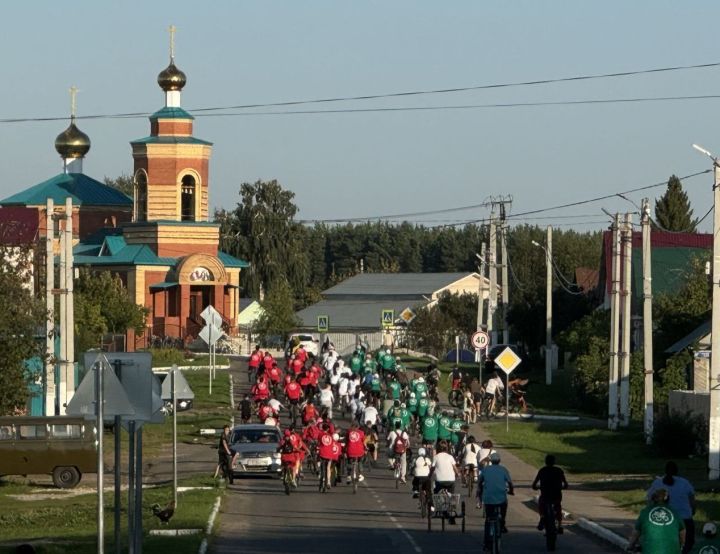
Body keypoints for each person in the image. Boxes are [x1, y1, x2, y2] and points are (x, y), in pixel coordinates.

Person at [647, 461, 696, 554]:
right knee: (688, 543)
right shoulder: (685, 483)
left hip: (666, 520)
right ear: (677, 471)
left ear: (665, 471)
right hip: (685, 519)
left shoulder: (658, 483)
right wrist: (692, 511)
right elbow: (692, 501)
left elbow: (650, 500)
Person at [628, 488, 685, 554]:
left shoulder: (645, 512)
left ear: (653, 499)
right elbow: (682, 534)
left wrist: (630, 546)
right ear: (668, 500)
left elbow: (635, 533)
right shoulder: (675, 512)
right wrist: (682, 545)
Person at [478, 451, 514, 545]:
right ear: (499, 461)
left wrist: (480, 491)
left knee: (488, 519)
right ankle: (502, 523)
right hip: (501, 498)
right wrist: (511, 491)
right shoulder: (503, 469)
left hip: (488, 498)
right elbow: (510, 483)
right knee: (504, 507)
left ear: (491, 461)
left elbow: (480, 481)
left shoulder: (486, 469)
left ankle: (486, 542)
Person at [531, 454, 569, 534]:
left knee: (541, 504)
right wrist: (563, 487)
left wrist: (536, 487)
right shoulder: (559, 470)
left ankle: (542, 517)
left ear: (545, 462)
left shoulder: (542, 470)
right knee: (558, 506)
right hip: (556, 495)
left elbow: (534, 484)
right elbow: (565, 484)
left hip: (545, 495)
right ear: (554, 462)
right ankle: (559, 525)